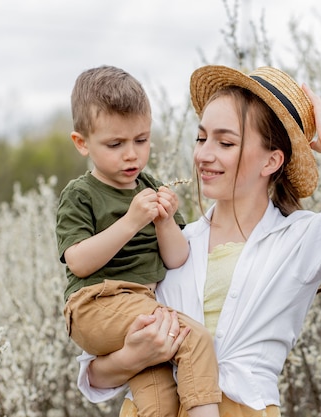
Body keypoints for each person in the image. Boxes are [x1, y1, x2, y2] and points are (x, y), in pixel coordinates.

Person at [74, 65, 321, 417]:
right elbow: (94, 373)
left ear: (272, 160)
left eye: (225, 142)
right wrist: (134, 356)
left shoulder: (297, 243)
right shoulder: (174, 242)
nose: (204, 155)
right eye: (201, 138)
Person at [55, 65, 221, 417]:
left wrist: (163, 223)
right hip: (96, 303)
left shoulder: (148, 185)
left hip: (138, 304)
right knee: (194, 340)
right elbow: (79, 262)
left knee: (159, 393)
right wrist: (131, 221)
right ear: (82, 143)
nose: (131, 154)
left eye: (141, 140)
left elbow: (176, 258)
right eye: (115, 144)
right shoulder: (81, 194)